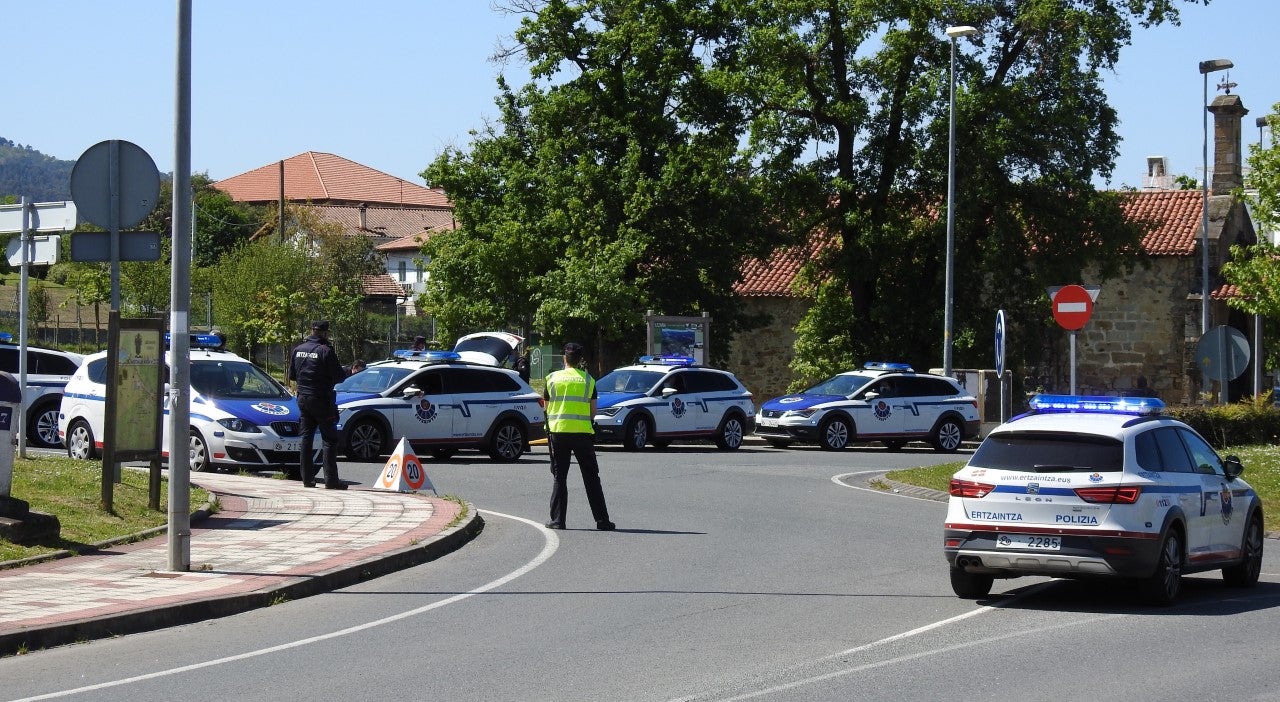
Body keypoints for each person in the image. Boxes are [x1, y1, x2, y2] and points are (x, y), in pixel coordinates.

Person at [543, 342, 614, 530]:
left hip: (558, 432)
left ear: (564, 358)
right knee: (591, 477)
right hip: (582, 433)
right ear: (580, 360)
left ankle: (558, 520)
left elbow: (547, 408)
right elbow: (592, 412)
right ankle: (602, 520)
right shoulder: (589, 380)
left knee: (560, 477)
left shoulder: (551, 379)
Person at [288, 320, 347, 489]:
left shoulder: (298, 349)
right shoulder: (325, 351)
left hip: (303, 398)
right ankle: (331, 480)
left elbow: (292, 375)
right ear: (325, 333)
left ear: (311, 331)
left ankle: (307, 479)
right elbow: (339, 376)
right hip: (321, 399)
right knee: (330, 439)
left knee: (306, 438)